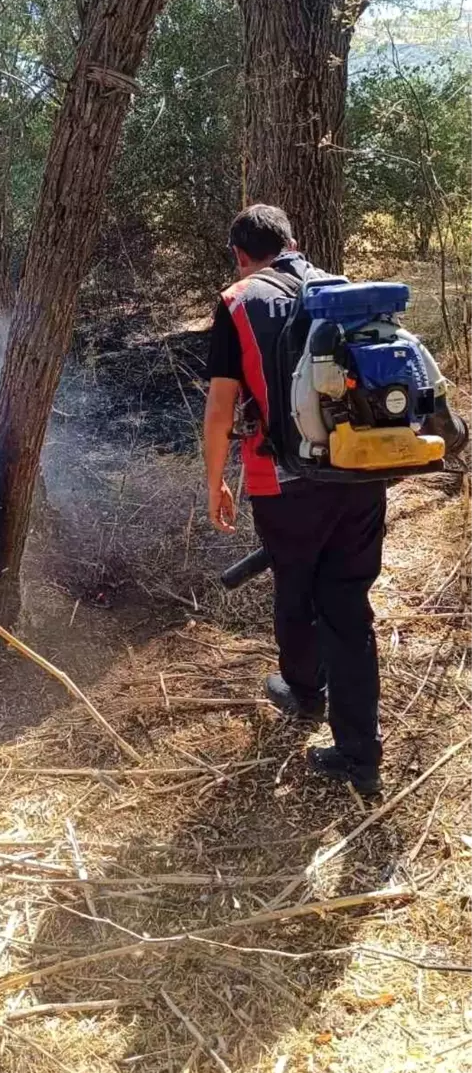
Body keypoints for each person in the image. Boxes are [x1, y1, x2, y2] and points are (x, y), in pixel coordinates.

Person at [204, 203, 466, 797]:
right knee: (348, 607)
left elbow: (221, 408)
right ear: (294, 241)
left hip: (283, 483)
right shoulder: (344, 292)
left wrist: (215, 481)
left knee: (296, 593)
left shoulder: (239, 302)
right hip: (359, 471)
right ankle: (358, 752)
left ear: (241, 255)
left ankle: (304, 691)